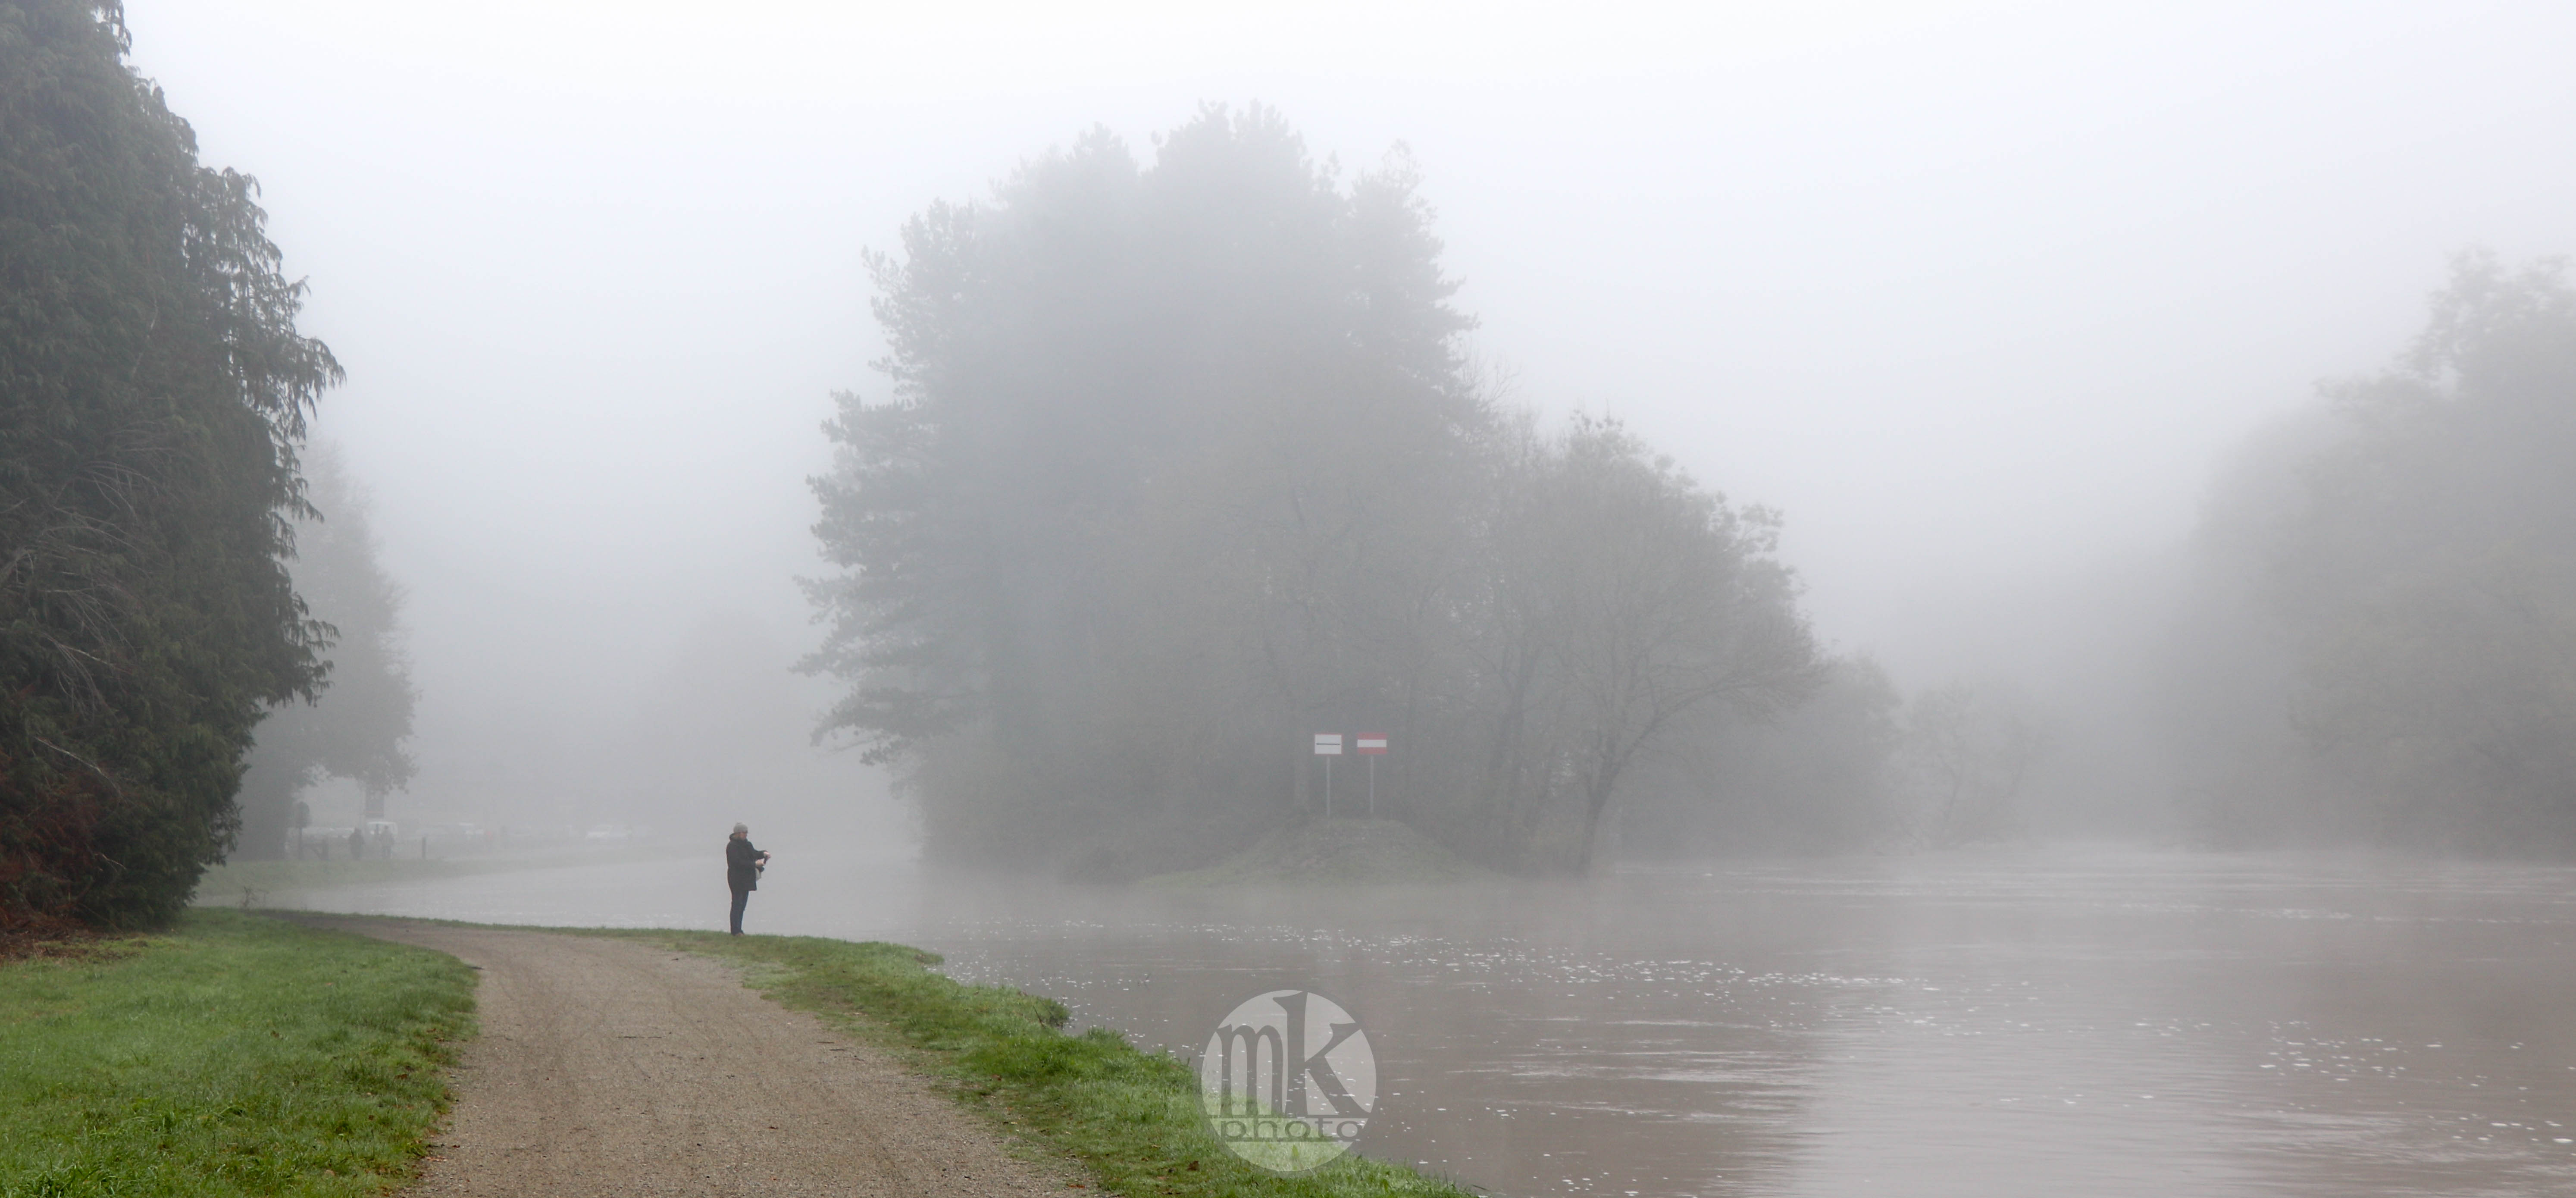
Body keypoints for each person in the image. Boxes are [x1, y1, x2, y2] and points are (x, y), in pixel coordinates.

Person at [725, 823, 770, 936]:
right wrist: (754, 864)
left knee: (743, 906)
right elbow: (737, 863)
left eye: (746, 833)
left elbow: (754, 854)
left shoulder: (747, 845)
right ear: (738, 833)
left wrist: (763, 853)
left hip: (746, 879)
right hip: (736, 879)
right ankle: (735, 931)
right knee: (737, 904)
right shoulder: (732, 846)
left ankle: (739, 930)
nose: (746, 835)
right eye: (744, 833)